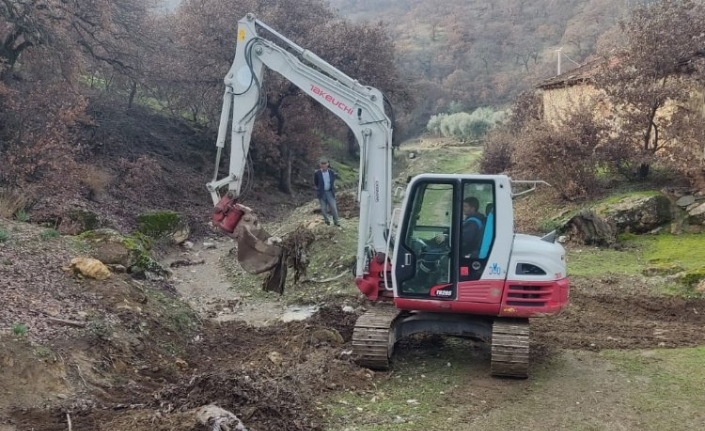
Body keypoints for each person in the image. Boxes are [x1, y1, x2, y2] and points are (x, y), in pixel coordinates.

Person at [313, 157, 340, 226]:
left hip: (330, 192)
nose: (323, 165)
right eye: (322, 163)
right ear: (320, 165)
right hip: (322, 193)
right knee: (323, 208)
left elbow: (333, 181)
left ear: (327, 164)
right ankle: (327, 222)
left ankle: (336, 222)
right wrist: (318, 189)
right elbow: (316, 182)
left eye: (325, 163)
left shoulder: (331, 172)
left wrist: (334, 188)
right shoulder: (317, 173)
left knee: (333, 207)